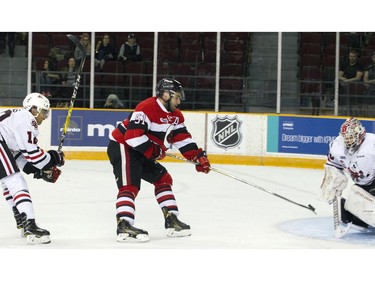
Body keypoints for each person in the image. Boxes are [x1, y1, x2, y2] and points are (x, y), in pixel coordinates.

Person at [107, 78, 211, 242]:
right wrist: (153, 150)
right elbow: (132, 137)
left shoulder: (175, 116)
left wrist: (197, 156)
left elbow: (182, 139)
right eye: (176, 97)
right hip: (123, 145)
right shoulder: (147, 108)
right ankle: (124, 225)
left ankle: (172, 220)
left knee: (163, 179)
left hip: (141, 149)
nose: (179, 101)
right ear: (165, 95)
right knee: (130, 185)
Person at [0, 93, 65, 244]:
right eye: (44, 112)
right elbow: (34, 155)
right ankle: (30, 225)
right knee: (16, 181)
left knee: (7, 181)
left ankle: (22, 218)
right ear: (33, 109)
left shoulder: (16, 119)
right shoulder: (26, 118)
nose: (45, 117)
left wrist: (39, 171)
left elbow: (19, 155)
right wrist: (54, 158)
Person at [318, 117, 375, 237]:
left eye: (351, 137)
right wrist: (331, 184)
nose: (348, 141)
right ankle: (362, 221)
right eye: (346, 138)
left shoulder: (372, 144)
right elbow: (333, 167)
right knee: (349, 209)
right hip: (362, 184)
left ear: (360, 134)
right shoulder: (336, 145)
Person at [338, 50, 364, 115]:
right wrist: (344, 79)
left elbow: (358, 78)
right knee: (336, 81)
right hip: (346, 81)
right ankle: (334, 99)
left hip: (355, 83)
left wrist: (347, 81)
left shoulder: (359, 65)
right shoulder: (345, 64)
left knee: (348, 85)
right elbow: (339, 76)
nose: (351, 58)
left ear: (356, 57)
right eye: (350, 56)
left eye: (353, 56)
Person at [363, 52, 375, 116]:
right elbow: (365, 79)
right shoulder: (369, 67)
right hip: (370, 87)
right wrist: (370, 82)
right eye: (373, 57)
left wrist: (368, 82)